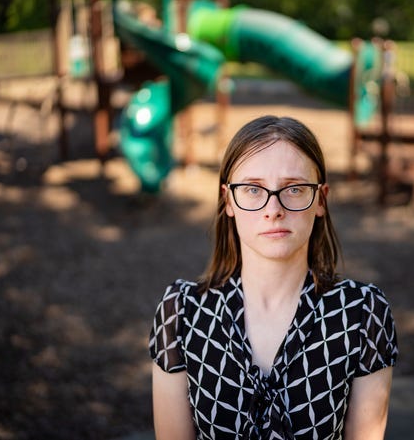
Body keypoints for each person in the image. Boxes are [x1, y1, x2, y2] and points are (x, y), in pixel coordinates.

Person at [149, 115, 398, 439]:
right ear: (229, 201)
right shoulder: (182, 313)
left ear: (320, 199)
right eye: (253, 189)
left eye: (293, 189)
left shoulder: (362, 314)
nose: (273, 209)